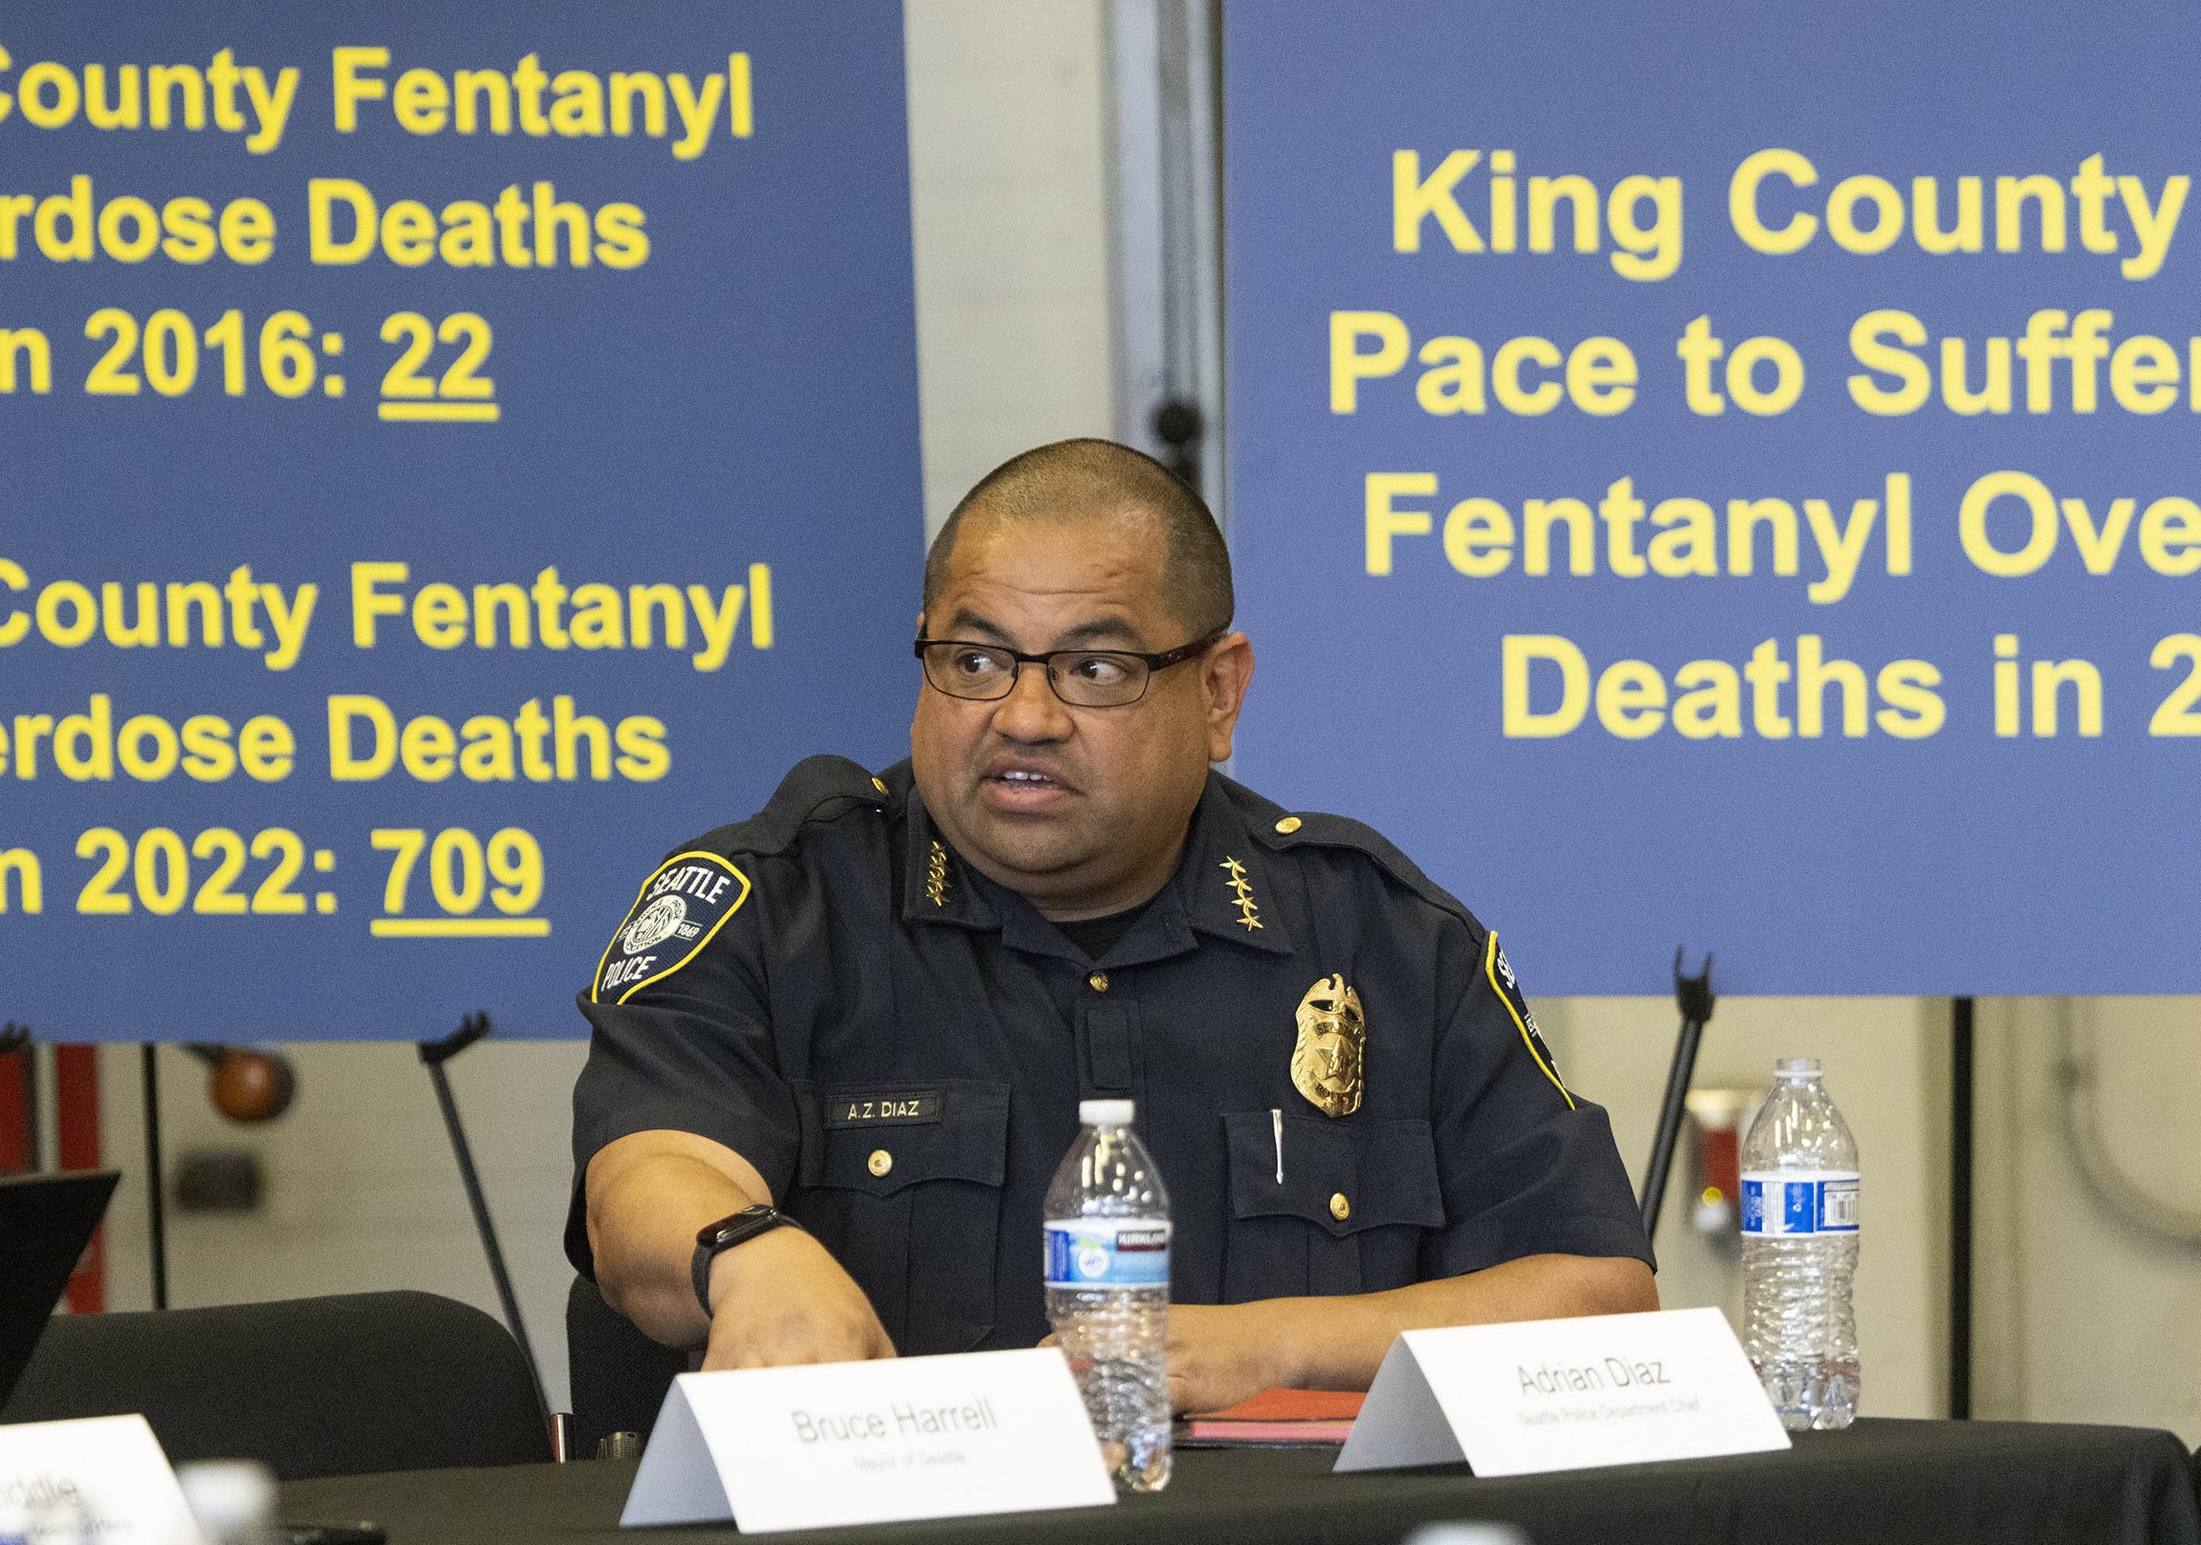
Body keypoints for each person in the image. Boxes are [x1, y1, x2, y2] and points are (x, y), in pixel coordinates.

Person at [568, 438, 1656, 1413]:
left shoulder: (1382, 939)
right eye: (977, 661)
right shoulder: (781, 905)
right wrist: (750, 1256)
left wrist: (1270, 1347)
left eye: (1096, 668)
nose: (1024, 717)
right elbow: (643, 1185)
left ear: (1218, 694)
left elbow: (1600, 1294)